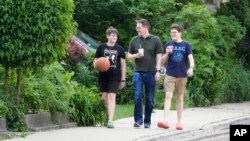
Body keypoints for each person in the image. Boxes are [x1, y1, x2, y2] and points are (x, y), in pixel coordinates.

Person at [157, 23, 195, 130]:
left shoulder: (187, 45)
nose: (172, 34)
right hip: (170, 74)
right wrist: (167, 53)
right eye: (171, 32)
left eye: (175, 32)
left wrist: (191, 68)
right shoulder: (168, 44)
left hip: (182, 75)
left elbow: (191, 59)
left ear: (180, 33)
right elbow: (162, 61)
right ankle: (165, 121)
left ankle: (179, 122)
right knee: (168, 96)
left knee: (179, 97)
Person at [127, 19, 163, 128]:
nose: (137, 29)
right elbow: (128, 56)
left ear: (145, 27)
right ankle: (138, 120)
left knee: (149, 99)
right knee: (137, 96)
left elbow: (159, 57)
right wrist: (135, 56)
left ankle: (147, 122)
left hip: (151, 73)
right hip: (138, 72)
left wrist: (158, 71)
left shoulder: (155, 40)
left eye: (139, 27)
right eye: (137, 28)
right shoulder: (134, 40)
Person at [93, 27, 126, 128]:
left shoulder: (120, 49)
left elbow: (123, 65)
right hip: (104, 76)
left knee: (112, 96)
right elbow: (95, 61)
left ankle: (111, 120)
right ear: (107, 36)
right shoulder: (101, 48)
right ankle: (107, 117)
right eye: (112, 35)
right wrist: (96, 64)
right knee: (104, 99)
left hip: (115, 76)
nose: (115, 37)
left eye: (116, 35)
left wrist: (123, 79)